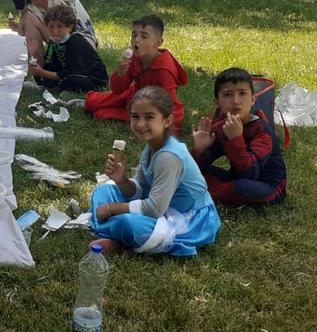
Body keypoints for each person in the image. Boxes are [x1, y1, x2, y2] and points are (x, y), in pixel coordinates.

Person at [89, 87, 221, 257]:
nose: (140, 124)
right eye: (135, 116)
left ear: (167, 121)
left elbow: (154, 209)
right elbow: (143, 190)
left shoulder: (169, 156)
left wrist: (111, 209)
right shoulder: (152, 146)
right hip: (159, 207)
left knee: (128, 224)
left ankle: (116, 237)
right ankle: (117, 234)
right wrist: (121, 180)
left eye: (149, 117)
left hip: (188, 218)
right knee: (103, 191)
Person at [192, 67, 288, 207]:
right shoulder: (222, 127)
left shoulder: (262, 131)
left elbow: (250, 174)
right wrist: (199, 150)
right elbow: (197, 166)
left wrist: (235, 139)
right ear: (217, 102)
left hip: (267, 187)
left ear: (253, 99)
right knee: (193, 172)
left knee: (241, 187)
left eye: (242, 93)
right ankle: (204, 189)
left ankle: (203, 192)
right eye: (227, 94)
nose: (236, 101)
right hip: (235, 177)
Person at [83, 14, 187, 133]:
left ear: (158, 43)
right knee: (91, 102)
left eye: (144, 36)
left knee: (101, 114)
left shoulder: (164, 70)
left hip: (151, 108)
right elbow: (117, 90)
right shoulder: (135, 58)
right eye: (134, 35)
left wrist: (168, 127)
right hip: (132, 95)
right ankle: (85, 102)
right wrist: (120, 74)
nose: (136, 40)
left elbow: (171, 104)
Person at [27, 4, 108, 92]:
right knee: (45, 76)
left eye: (60, 26)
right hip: (67, 74)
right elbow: (49, 66)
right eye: (51, 26)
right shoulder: (54, 41)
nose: (55, 31)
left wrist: (42, 73)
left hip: (90, 78)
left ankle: (58, 87)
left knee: (73, 80)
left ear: (69, 28)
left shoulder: (75, 42)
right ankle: (52, 86)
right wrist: (34, 54)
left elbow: (70, 72)